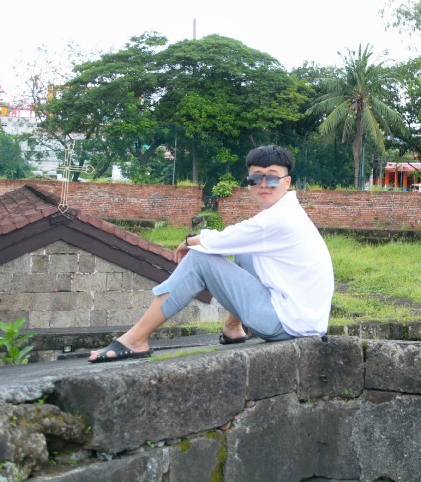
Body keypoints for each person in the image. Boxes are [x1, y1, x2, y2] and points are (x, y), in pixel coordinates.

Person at [89, 145, 333, 362]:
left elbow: (223, 240)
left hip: (287, 324)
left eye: (272, 179)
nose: (263, 185)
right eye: (255, 179)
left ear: (287, 182)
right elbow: (236, 237)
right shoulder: (285, 212)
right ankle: (233, 328)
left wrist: (190, 241)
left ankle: (135, 340)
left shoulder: (280, 218)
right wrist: (199, 240)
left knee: (199, 257)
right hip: (300, 319)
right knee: (243, 251)